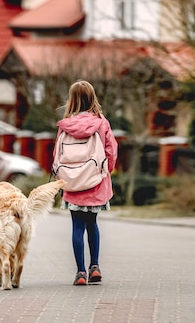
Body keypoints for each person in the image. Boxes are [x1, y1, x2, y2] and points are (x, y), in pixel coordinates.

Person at [55, 80, 118, 286]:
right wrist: (104, 172)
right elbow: (111, 151)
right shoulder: (102, 123)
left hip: (72, 182)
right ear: (93, 98)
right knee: (92, 224)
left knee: (77, 226)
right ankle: (95, 267)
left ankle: (80, 273)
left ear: (72, 100)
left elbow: (57, 154)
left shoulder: (65, 126)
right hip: (95, 182)